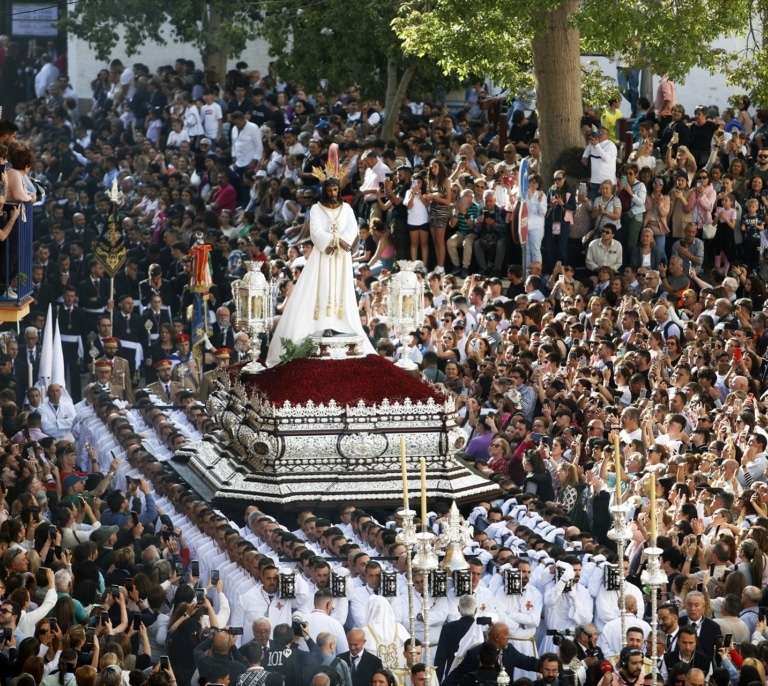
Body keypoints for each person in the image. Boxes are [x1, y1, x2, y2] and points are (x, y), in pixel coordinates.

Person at [266, 176, 376, 367]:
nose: (333, 193)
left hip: (341, 256)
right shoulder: (317, 208)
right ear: (325, 190)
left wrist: (342, 241)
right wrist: (332, 241)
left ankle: (340, 323)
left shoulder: (346, 208)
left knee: (340, 289)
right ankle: (324, 324)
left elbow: (352, 229)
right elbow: (315, 231)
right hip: (324, 255)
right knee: (323, 288)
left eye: (335, 190)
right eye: (330, 190)